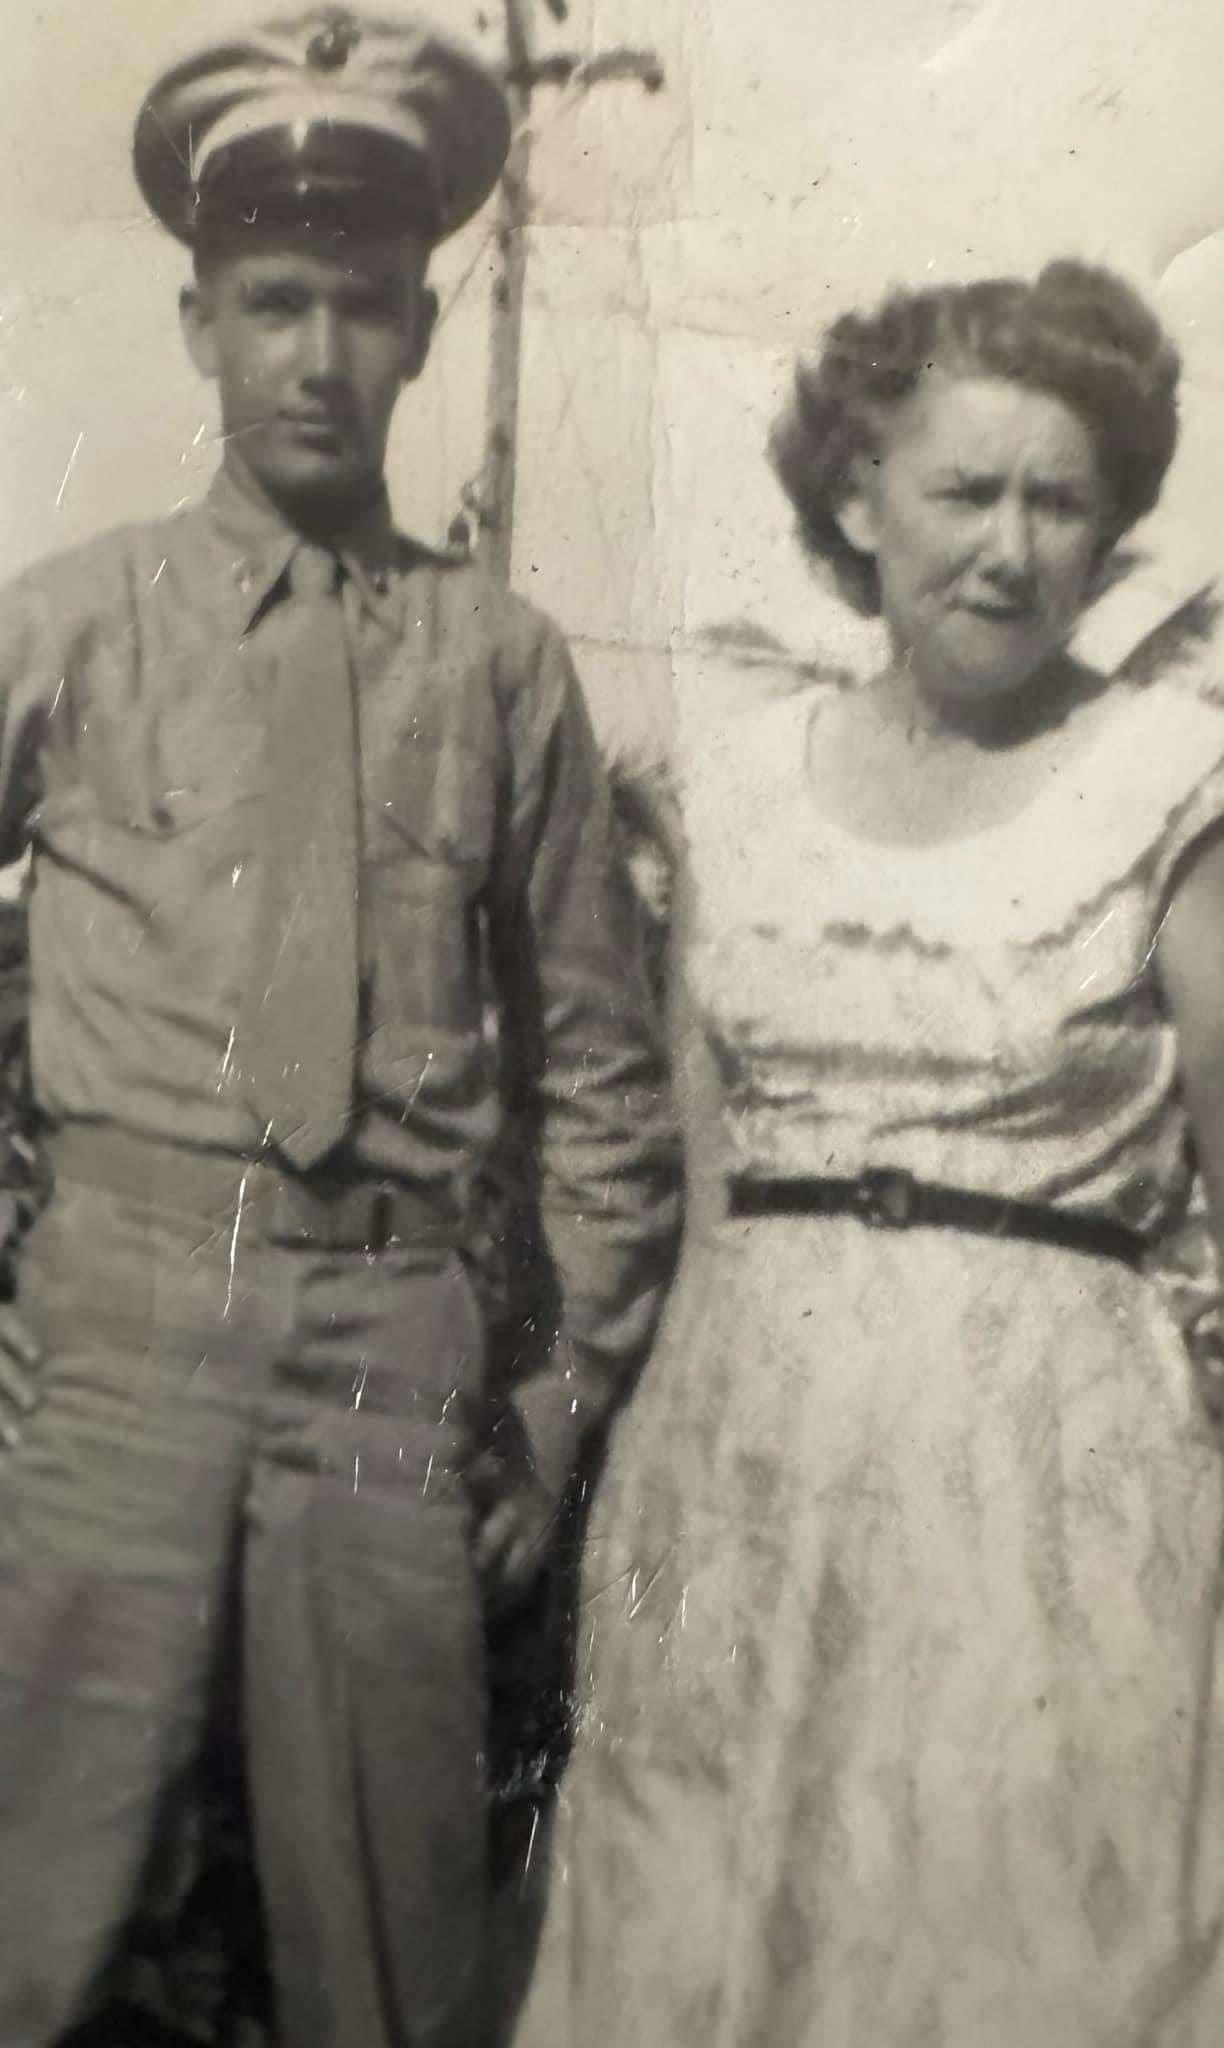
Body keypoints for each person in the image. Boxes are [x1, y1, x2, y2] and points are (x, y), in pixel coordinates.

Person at [512, 261, 1224, 2046]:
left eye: (1062, 501)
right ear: (855, 498)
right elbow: (697, 1183)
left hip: (1058, 1511)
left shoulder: (1185, 786)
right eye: (965, 491)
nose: (1008, 548)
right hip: (742, 1495)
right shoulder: (730, 789)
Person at [0, 10, 681, 2045]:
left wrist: (554, 1416)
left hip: (388, 1353)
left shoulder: (499, 667)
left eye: (364, 309)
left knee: (385, 1952)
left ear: (418, 331)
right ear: (197, 319)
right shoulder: (72, 622)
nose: (317, 355)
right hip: (116, 1328)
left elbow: (604, 1080)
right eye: (273, 303)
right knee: (23, 1914)